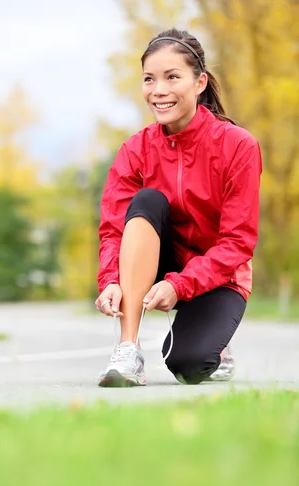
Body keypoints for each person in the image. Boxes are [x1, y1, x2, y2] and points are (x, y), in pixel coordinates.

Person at [95, 27, 262, 387]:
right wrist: (109, 280)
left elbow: (238, 242)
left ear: (200, 82)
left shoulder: (238, 146)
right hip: (159, 260)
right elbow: (113, 229)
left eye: (173, 77)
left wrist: (182, 286)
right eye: (149, 79)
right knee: (147, 200)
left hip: (218, 276)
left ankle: (217, 344)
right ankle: (128, 350)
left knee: (189, 365)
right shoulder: (135, 150)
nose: (159, 91)